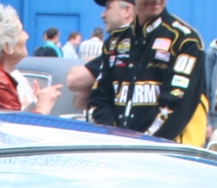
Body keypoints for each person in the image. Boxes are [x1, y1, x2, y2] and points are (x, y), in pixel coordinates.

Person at [88, 0, 206, 143]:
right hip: (117, 151)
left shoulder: (184, 40)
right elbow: (98, 100)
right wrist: (111, 138)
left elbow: (175, 106)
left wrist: (139, 143)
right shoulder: (115, 41)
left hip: (166, 153)